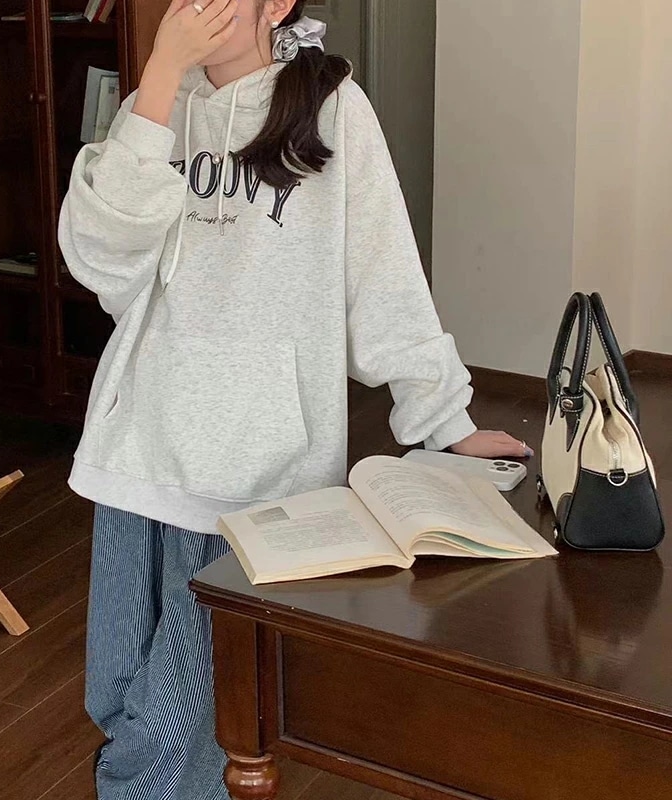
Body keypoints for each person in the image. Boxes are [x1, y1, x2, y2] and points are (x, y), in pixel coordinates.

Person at [58, 1, 532, 798]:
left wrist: (445, 421)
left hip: (255, 469)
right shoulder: (153, 106)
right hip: (135, 454)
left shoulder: (331, 110)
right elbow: (100, 264)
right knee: (119, 692)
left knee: (187, 716)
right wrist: (160, 78)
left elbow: (384, 276)